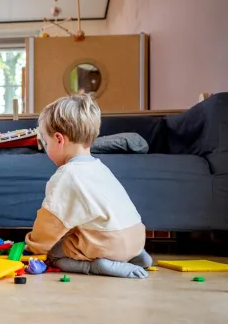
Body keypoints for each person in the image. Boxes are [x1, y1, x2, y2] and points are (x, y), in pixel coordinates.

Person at [25, 94, 153, 278]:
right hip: (136, 239)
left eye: (46, 142)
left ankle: (97, 266)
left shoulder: (66, 175)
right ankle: (134, 256)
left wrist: (34, 246)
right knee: (84, 234)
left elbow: (50, 224)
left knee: (54, 254)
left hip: (108, 245)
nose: (46, 148)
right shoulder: (100, 168)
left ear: (59, 139)